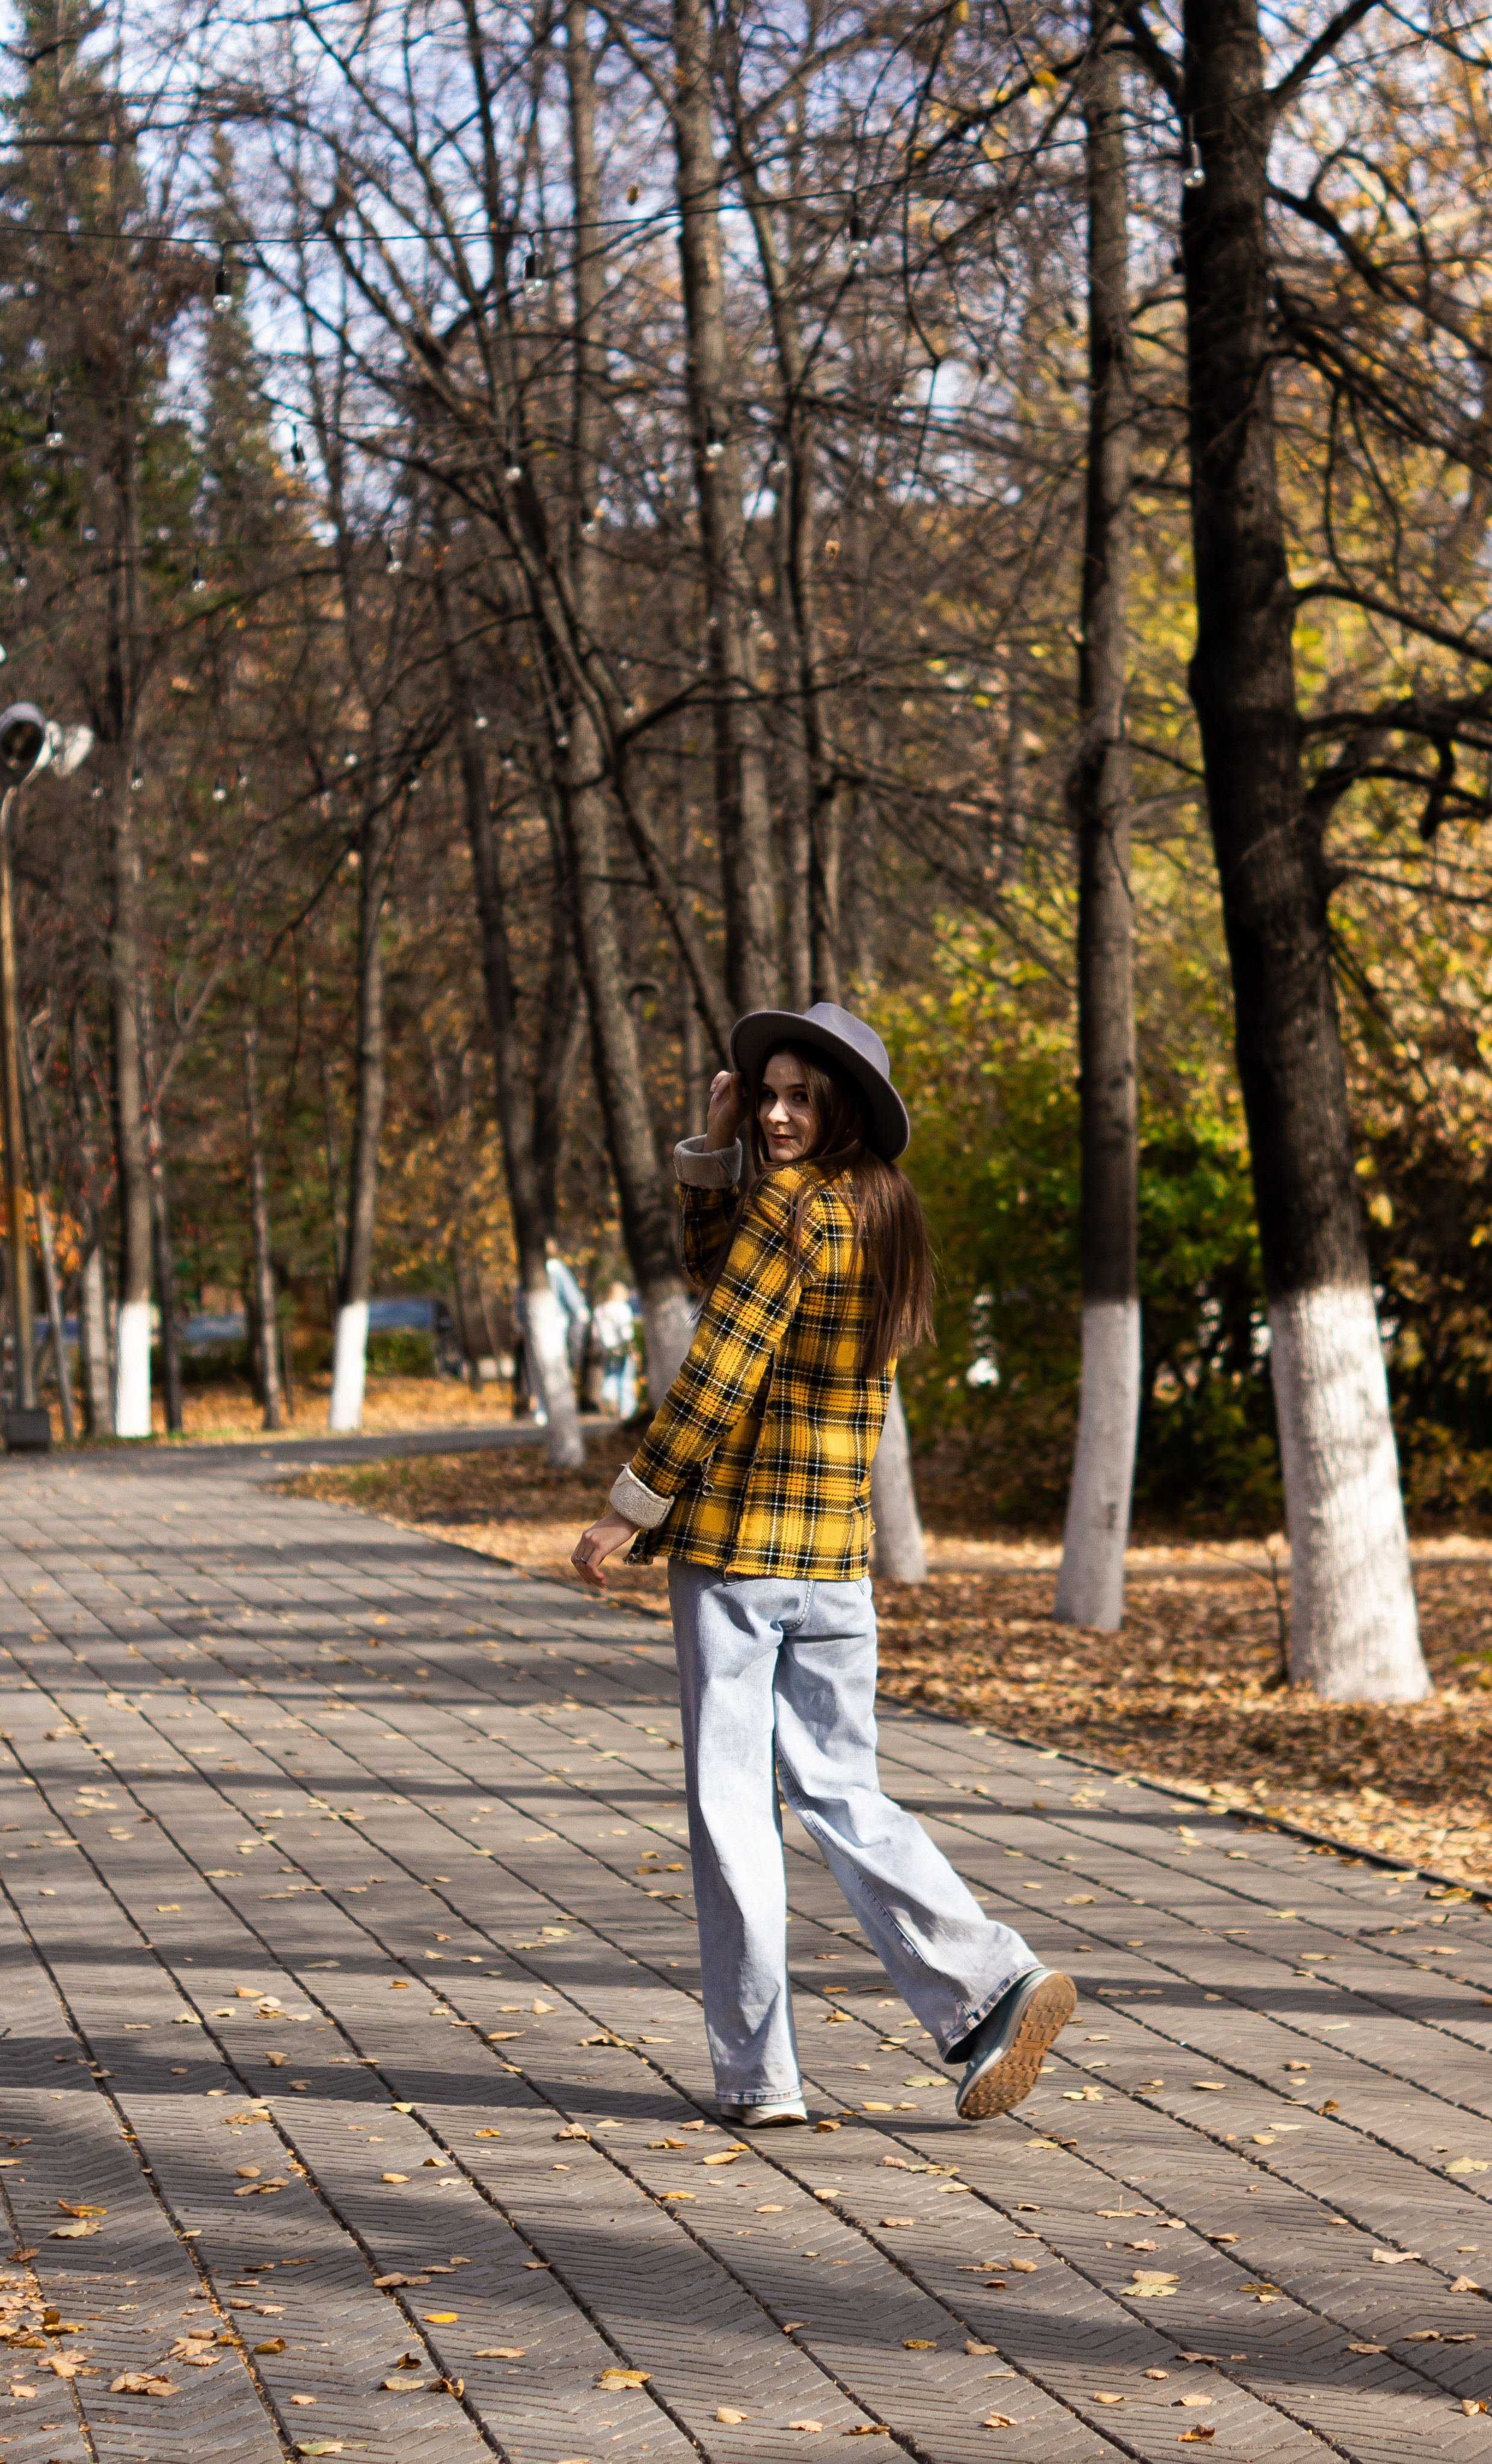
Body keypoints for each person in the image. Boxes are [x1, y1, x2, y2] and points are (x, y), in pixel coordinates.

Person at [572, 1001, 1075, 2127]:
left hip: (738, 1556)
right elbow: (732, 1283)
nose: (777, 1114)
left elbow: (719, 1361)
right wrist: (715, 1155)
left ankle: (761, 2080)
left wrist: (628, 1507)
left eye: (801, 1097)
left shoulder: (790, 1208)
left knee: (732, 1810)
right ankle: (991, 1980)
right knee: (845, 1791)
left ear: (842, 1104)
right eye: (768, 1094)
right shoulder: (885, 1212)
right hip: (837, 1563)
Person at [592, 1280, 639, 1418]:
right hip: (623, 1349)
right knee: (626, 1378)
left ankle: (607, 1395)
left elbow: (595, 1334)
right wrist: (632, 1349)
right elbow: (626, 1332)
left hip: (607, 1350)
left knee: (611, 1375)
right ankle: (627, 1411)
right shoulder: (623, 1308)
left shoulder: (599, 1310)